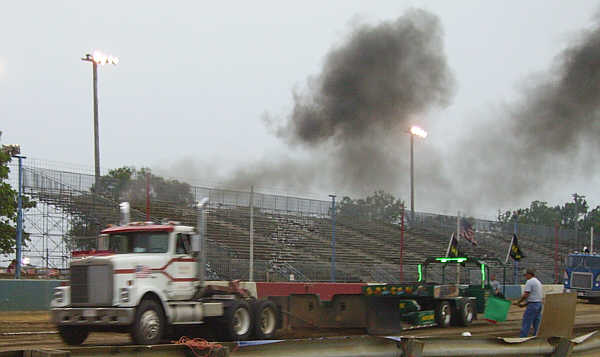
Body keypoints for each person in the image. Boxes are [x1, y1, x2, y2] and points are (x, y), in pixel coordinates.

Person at [515, 268, 544, 337]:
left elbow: (526, 294)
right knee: (536, 322)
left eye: (526, 275)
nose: (525, 277)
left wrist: (518, 302)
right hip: (539, 304)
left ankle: (523, 337)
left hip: (533, 305)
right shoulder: (537, 281)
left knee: (527, 321)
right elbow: (534, 296)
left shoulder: (530, 281)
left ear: (529, 274)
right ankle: (536, 336)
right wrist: (524, 305)